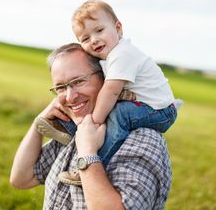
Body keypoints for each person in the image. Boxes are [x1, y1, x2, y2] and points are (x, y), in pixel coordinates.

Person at [10, 43, 172, 210]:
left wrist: (87, 153)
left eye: (78, 81)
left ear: (106, 78)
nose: (70, 97)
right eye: (60, 88)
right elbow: (22, 178)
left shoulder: (143, 140)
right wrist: (39, 123)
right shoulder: (79, 130)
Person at [39, 0, 179, 184]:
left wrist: (94, 121)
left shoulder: (122, 54)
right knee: (106, 107)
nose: (94, 40)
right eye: (86, 38)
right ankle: (70, 129)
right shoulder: (110, 57)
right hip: (148, 106)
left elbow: (111, 91)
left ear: (118, 28)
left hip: (161, 112)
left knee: (118, 113)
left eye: (99, 30)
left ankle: (91, 164)